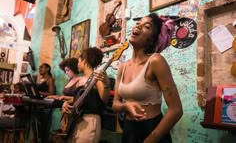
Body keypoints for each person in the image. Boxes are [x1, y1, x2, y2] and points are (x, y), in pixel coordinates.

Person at [112, 13, 183, 143]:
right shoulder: (122, 66)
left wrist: (150, 140)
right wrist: (126, 106)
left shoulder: (155, 61)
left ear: (151, 40)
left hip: (152, 132)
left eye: (147, 26)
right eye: (138, 24)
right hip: (129, 132)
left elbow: (176, 110)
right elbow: (115, 104)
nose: (138, 26)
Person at [62, 47, 110, 143]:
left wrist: (106, 83)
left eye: (79, 61)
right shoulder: (81, 79)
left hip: (89, 120)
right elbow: (78, 98)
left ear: (84, 60)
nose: (77, 64)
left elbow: (105, 99)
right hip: (76, 120)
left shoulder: (97, 77)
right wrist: (66, 103)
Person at [47, 57, 80, 133]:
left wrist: (62, 97)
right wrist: (55, 96)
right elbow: (64, 96)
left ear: (74, 68)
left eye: (68, 70)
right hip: (64, 112)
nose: (66, 72)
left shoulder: (79, 80)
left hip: (72, 112)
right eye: (65, 71)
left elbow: (77, 97)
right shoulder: (70, 80)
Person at [35, 63, 55, 143]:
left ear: (47, 69)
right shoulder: (39, 80)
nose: (40, 69)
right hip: (37, 105)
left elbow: (51, 93)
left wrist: (39, 92)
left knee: (44, 129)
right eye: (39, 67)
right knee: (37, 128)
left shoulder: (50, 79)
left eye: (42, 67)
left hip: (45, 107)